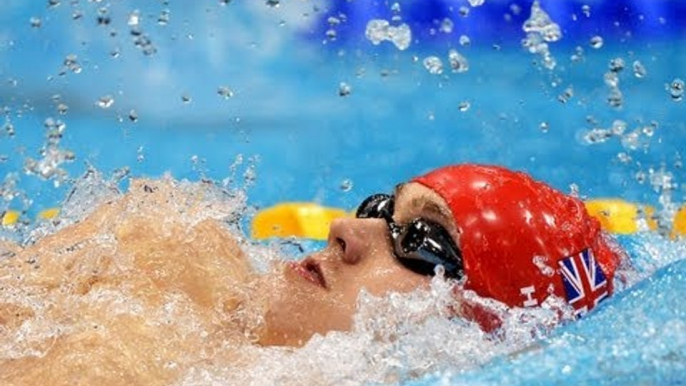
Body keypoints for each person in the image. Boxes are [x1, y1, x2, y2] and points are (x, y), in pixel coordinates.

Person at [0, 164, 623, 385]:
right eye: (381, 209)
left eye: (425, 245)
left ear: (475, 332)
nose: (346, 232)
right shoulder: (161, 249)